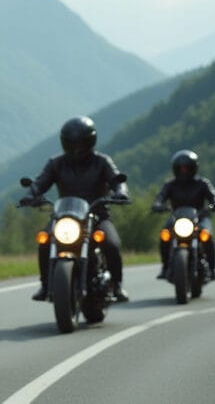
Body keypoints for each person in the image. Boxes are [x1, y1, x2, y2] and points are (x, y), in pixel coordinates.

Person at [20, 116, 130, 303]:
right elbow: (40, 182)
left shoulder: (102, 161)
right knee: (45, 241)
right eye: (71, 143)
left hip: (97, 216)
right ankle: (45, 285)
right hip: (65, 216)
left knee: (112, 244)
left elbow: (116, 179)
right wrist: (31, 194)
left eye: (80, 143)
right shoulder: (56, 163)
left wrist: (121, 192)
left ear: (90, 141)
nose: (76, 148)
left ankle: (117, 285)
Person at [152, 149, 215, 279]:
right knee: (165, 235)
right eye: (180, 168)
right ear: (175, 169)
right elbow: (160, 197)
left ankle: (212, 269)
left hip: (199, 218)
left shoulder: (203, 183)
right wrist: (157, 205)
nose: (183, 171)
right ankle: (165, 267)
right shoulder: (170, 184)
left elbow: (214, 196)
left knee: (206, 235)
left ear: (193, 168)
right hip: (177, 219)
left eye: (186, 168)